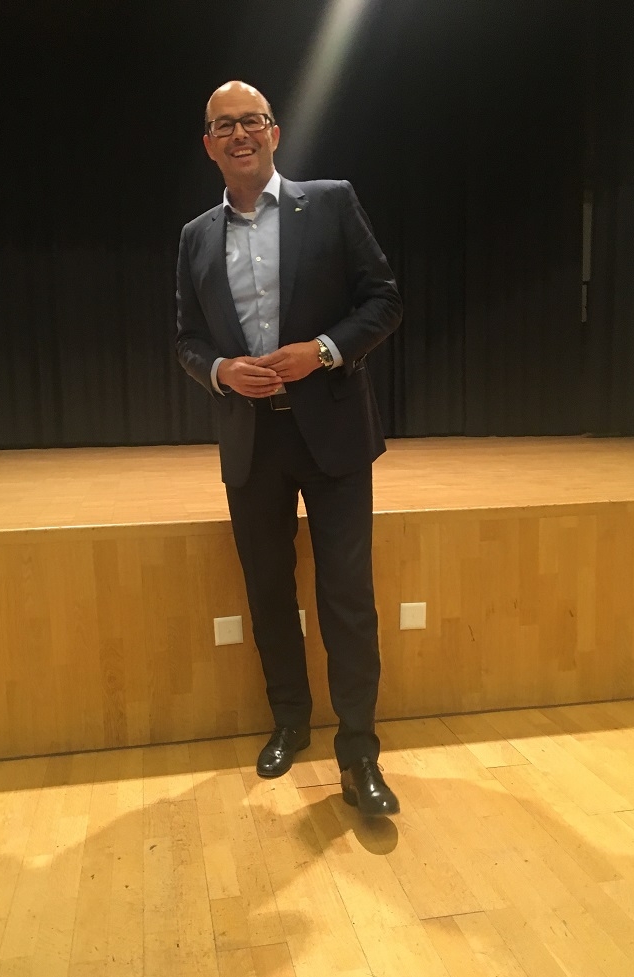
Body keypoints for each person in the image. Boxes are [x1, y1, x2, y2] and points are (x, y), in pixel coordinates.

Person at [176, 81, 402, 815]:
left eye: (252, 121)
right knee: (269, 591)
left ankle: (359, 752)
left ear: (275, 132)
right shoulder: (196, 236)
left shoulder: (330, 203)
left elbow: (384, 300)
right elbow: (187, 340)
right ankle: (290, 721)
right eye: (224, 126)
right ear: (208, 145)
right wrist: (220, 370)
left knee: (347, 595)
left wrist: (325, 350)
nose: (239, 134)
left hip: (333, 435)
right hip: (251, 441)